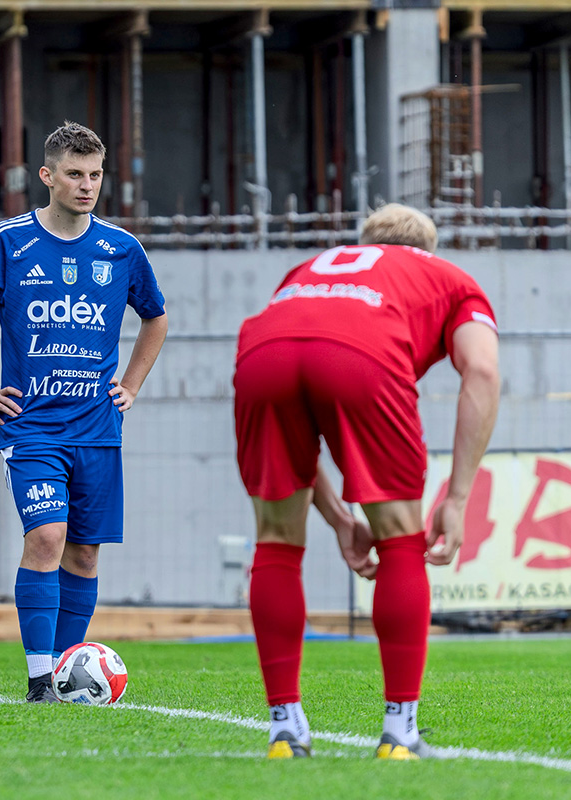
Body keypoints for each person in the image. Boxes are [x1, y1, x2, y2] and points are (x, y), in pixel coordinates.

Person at [233, 204, 500, 759]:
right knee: (401, 538)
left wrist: (339, 520)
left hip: (263, 354)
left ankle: (285, 729)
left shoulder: (312, 268)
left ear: (365, 242)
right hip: (363, 353)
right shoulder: (448, 277)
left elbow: (304, 380)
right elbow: (481, 369)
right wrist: (456, 498)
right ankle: (399, 732)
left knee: (276, 540)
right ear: (426, 249)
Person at [0, 121, 168, 703]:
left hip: (98, 428)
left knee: (83, 553)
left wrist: (131, 384)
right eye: (75, 174)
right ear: (48, 176)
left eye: (96, 175)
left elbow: (155, 317)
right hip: (32, 427)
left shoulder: (121, 249)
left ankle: (66, 675)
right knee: (47, 536)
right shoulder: (8, 241)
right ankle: (41, 680)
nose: (87, 186)